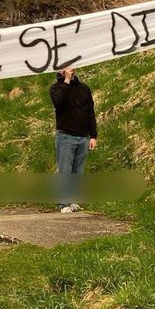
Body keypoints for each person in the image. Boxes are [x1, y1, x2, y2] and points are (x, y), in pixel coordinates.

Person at [48, 67, 96, 214]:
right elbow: (59, 102)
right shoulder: (56, 88)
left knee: (78, 171)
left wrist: (93, 135)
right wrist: (66, 81)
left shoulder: (84, 89)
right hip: (66, 137)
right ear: (61, 72)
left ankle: (72, 199)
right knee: (65, 170)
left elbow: (90, 112)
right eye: (66, 69)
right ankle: (63, 203)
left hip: (83, 137)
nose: (70, 71)